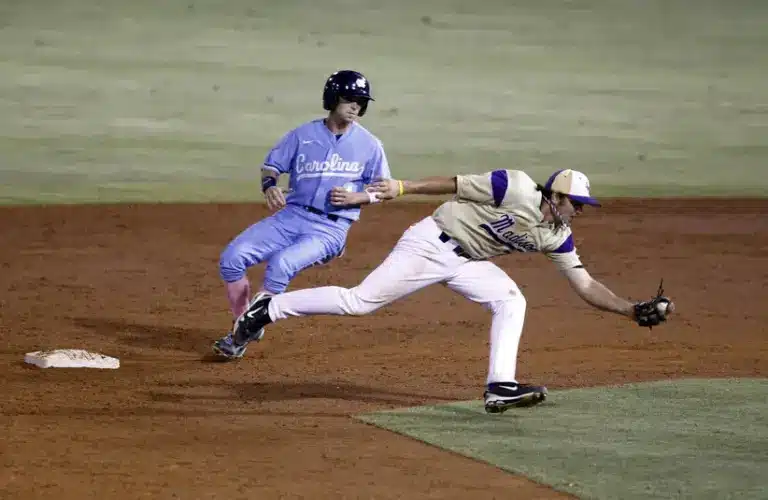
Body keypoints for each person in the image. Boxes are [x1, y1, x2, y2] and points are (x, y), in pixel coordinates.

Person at [218, 168, 674, 413]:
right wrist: (403, 187)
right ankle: (269, 308)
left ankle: (500, 386)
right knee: (360, 302)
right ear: (554, 196)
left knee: (511, 299)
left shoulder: (556, 236)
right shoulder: (512, 186)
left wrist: (630, 310)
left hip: (467, 261)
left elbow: (586, 284)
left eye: (582, 207)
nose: (578, 212)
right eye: (575, 203)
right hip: (430, 241)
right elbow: (455, 184)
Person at [212, 69, 392, 360]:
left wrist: (358, 197)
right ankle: (247, 319)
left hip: (330, 228)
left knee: (282, 264)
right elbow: (271, 167)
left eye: (361, 101)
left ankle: (238, 336)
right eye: (349, 99)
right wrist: (269, 186)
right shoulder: (302, 135)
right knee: (231, 259)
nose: (356, 106)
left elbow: (383, 189)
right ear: (332, 99)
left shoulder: (370, 145)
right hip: (292, 216)